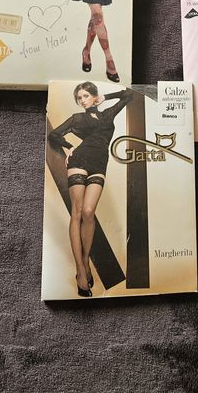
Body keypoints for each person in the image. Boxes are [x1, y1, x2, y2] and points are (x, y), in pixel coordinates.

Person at [47, 83, 133, 297]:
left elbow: (129, 95)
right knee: (77, 212)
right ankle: (80, 272)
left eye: (86, 95)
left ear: (94, 96)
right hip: (79, 160)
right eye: (79, 98)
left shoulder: (108, 114)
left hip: (99, 163)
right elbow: (54, 135)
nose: (82, 100)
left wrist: (105, 97)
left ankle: (86, 262)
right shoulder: (77, 118)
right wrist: (69, 147)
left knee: (88, 212)